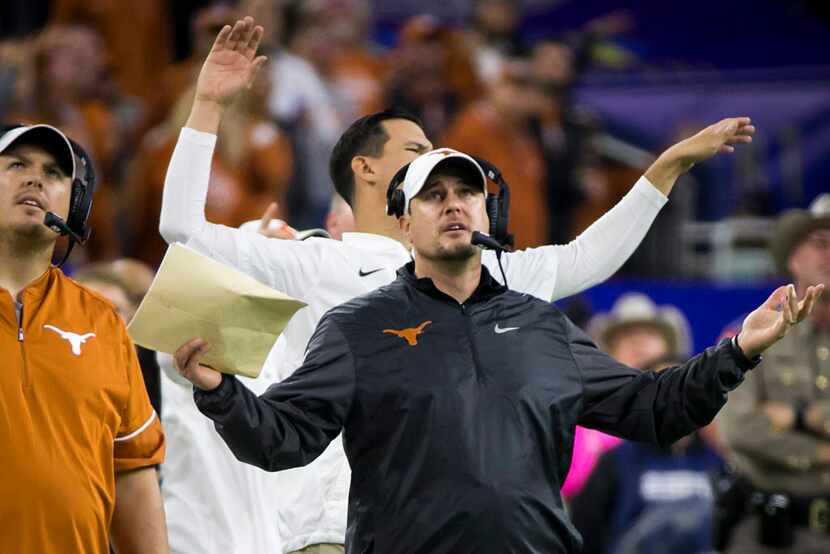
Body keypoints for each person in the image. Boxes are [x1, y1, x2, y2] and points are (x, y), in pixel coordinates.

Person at [158, 16, 758, 554]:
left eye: (461, 188)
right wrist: (208, 107)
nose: (442, 165)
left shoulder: (487, 278)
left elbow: (587, 258)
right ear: (371, 174)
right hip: (331, 533)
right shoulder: (310, 261)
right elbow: (182, 227)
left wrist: (663, 169)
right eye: (419, 153)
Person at [173, 140, 823, 552]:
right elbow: (281, 436)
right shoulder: (356, 327)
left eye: (466, 193)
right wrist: (221, 391)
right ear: (402, 223)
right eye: (434, 194)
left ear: (487, 216)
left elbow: (651, 408)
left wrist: (738, 352)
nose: (454, 205)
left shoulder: (541, 326)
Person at [0, 123, 167, 552]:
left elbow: (131, 471)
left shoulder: (102, 322)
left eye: (55, 173)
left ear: (74, 206)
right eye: (16, 164)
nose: (35, 178)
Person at [717, 193, 830, 553]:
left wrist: (798, 416)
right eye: (822, 244)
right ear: (794, 257)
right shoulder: (753, 334)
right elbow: (739, 429)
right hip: (771, 534)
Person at [562, 293, 692, 500]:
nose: (639, 342)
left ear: (668, 347)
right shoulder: (584, 414)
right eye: (627, 336)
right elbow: (568, 483)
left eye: (649, 333)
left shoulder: (694, 408)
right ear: (610, 352)